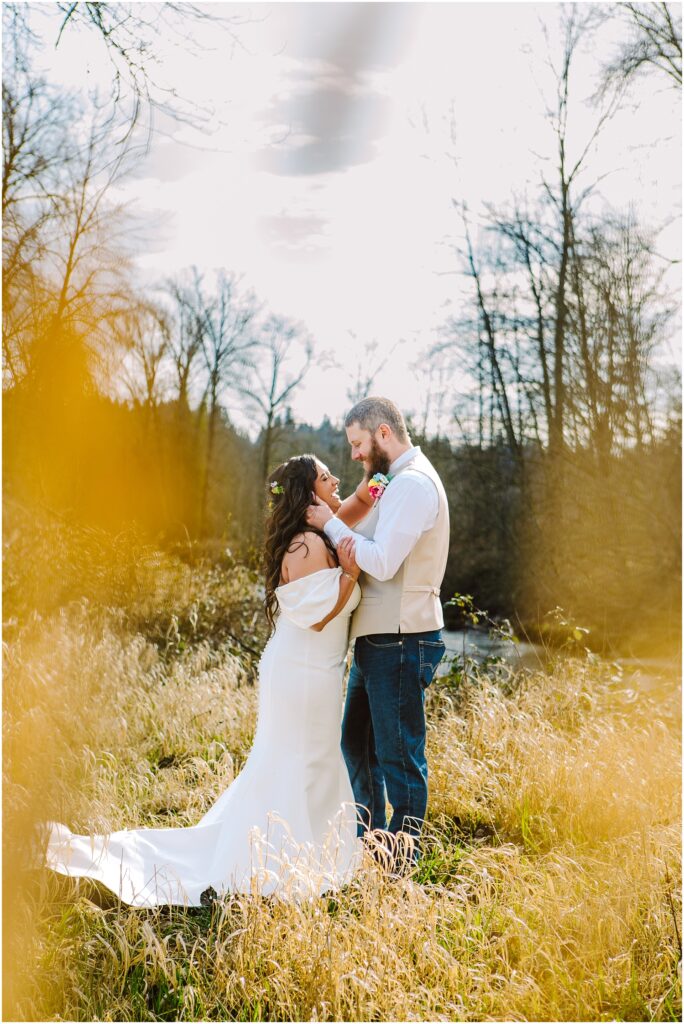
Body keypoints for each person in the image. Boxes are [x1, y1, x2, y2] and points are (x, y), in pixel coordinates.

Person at [46, 455, 370, 906]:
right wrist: (351, 574)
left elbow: (353, 506)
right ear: (308, 495)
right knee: (302, 761)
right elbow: (318, 618)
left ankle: (300, 852)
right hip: (304, 672)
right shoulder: (306, 546)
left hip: (314, 670)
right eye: (324, 476)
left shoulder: (320, 533)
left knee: (306, 761)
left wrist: (377, 480)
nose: (335, 479)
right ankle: (277, 860)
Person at [307, 397, 449, 848]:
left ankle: (401, 862)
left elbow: (382, 562)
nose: (354, 455)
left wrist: (329, 526)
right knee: (357, 745)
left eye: (358, 444)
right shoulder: (393, 481)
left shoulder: (413, 485)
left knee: (398, 757)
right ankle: (366, 846)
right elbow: (365, 532)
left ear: (383, 433)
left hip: (402, 638)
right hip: (378, 638)